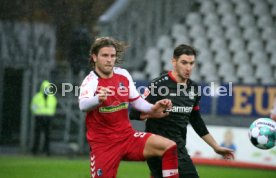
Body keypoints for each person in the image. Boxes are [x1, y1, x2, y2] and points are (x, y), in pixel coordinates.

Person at [78, 37, 180, 178]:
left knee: (169, 147)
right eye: (105, 55)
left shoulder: (123, 74)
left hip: (127, 137)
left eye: (112, 56)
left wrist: (153, 108)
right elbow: (83, 105)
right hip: (104, 145)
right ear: (95, 57)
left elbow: (137, 101)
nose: (109, 60)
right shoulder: (90, 81)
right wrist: (97, 99)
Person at [130, 44, 234, 178]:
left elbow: (196, 120)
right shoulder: (159, 85)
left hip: (178, 147)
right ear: (174, 62)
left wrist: (215, 147)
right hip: (157, 147)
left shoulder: (194, 89)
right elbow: (134, 113)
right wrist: (154, 111)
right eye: (184, 63)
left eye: (191, 63)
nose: (188, 68)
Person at [30, 80, 57, 156]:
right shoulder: (38, 97)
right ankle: (36, 151)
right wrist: (38, 113)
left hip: (47, 117)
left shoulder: (51, 98)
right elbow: (33, 107)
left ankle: (46, 151)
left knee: (47, 136)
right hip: (40, 117)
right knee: (38, 135)